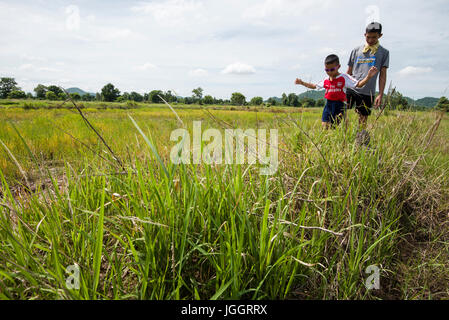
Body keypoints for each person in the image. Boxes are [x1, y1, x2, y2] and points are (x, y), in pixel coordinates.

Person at [295, 54, 378, 129]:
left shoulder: (344, 77)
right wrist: (302, 83)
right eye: (327, 70)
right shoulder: (326, 80)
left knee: (334, 127)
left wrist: (368, 76)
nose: (329, 72)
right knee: (325, 127)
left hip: (339, 106)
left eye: (332, 69)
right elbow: (314, 86)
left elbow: (358, 84)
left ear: (338, 66)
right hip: (328, 105)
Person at [346, 22, 390, 128]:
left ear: (380, 36)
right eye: (368, 37)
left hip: (367, 91)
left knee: (363, 120)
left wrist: (380, 94)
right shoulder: (356, 50)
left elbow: (382, 75)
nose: (370, 40)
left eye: (374, 37)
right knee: (341, 115)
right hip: (351, 88)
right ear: (364, 34)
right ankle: (343, 140)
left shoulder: (384, 53)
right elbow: (349, 72)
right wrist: (341, 87)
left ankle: (360, 142)